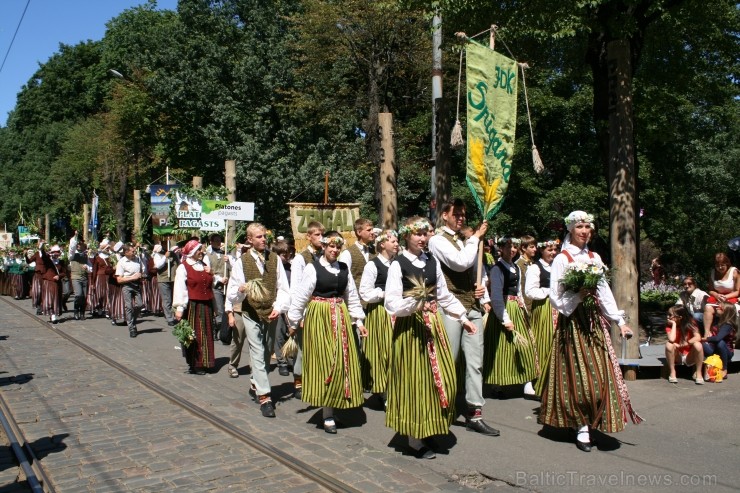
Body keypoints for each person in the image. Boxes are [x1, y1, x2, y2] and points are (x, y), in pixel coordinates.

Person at [539, 210, 641, 453]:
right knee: (579, 376)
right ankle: (581, 425)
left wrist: (619, 320)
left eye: (588, 228)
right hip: (573, 322)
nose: (585, 232)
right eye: (580, 227)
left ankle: (594, 419)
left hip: (594, 321)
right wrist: (577, 296)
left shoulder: (594, 257)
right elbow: (555, 296)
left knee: (600, 373)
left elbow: (604, 291)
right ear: (570, 230)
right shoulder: (562, 259)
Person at [384, 217, 477, 459]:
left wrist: (462, 317)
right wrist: (415, 303)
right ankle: (414, 439)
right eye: (418, 234)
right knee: (415, 381)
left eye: (426, 234)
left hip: (433, 325)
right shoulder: (398, 264)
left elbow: (444, 296)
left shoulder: (432, 261)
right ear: (407, 236)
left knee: (442, 378)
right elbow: (392, 304)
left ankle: (429, 426)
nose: (423, 238)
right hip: (411, 329)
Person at [427, 199, 498, 436]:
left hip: (472, 306)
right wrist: (476, 238)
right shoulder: (437, 240)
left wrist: (481, 290)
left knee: (475, 362)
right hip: (449, 306)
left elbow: (475, 270)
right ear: (444, 215)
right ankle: (439, 409)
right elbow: (459, 264)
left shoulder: (464, 240)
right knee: (449, 359)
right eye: (456, 214)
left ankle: (474, 413)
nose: (460, 218)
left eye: (463, 214)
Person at [287, 231, 367, 434]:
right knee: (325, 362)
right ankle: (327, 413)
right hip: (319, 317)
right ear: (323, 247)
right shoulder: (313, 268)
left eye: (338, 247)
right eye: (331, 246)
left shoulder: (343, 268)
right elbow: (301, 295)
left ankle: (334, 404)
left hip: (340, 316)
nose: (334, 250)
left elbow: (352, 295)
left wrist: (358, 321)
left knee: (341, 360)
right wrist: (294, 321)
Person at [227, 223, 290, 418]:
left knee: (267, 350)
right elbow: (232, 293)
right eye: (259, 237)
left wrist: (278, 308)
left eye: (265, 236)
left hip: (270, 312)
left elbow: (284, 288)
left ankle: (255, 382)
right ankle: (265, 398)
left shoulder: (275, 260)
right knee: (256, 351)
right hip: (250, 312)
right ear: (250, 240)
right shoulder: (242, 262)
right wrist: (240, 290)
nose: (263, 239)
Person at [485, 236, 539, 398]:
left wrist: (522, 304)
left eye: (515, 247)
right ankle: (497, 382)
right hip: (504, 308)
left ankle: (527, 382)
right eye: (509, 247)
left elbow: (519, 290)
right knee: (502, 347)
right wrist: (505, 319)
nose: (512, 250)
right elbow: (495, 296)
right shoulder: (497, 269)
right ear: (501, 248)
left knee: (526, 345)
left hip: (517, 308)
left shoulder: (515, 267)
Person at [358, 229, 399, 404]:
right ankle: (384, 390)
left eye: (397, 241)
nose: (397, 244)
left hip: (397, 310)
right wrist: (385, 293)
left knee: (396, 350)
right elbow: (365, 293)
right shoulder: (372, 265)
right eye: (393, 241)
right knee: (382, 350)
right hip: (380, 312)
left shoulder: (397, 264)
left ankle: (395, 387)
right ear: (382, 244)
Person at [289, 220, 325, 399]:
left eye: (322, 234)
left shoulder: (326, 256)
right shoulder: (301, 258)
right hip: (307, 307)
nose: (321, 238)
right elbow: (296, 288)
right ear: (308, 237)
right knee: (302, 348)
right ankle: (299, 380)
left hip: (323, 308)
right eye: (317, 235)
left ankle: (316, 379)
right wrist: (299, 315)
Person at [173, 239, 215, 374]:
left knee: (207, 334)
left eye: (201, 250)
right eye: (199, 250)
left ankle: (206, 361)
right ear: (192, 252)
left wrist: (213, 275)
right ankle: (195, 363)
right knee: (195, 335)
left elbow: (208, 284)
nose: (201, 252)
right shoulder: (183, 267)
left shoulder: (203, 265)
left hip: (206, 304)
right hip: (193, 305)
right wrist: (180, 308)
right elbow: (180, 289)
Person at [524, 239, 560, 397]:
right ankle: (540, 383)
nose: (553, 253)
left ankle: (555, 382)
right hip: (543, 308)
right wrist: (548, 291)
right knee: (543, 343)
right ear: (542, 251)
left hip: (558, 308)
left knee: (556, 344)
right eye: (549, 250)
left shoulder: (557, 267)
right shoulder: (534, 268)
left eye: (554, 250)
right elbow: (530, 291)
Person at [225, 242, 251, 378]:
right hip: (239, 310)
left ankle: (254, 367)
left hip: (254, 310)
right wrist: (230, 314)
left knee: (255, 342)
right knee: (238, 340)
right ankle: (233, 364)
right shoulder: (237, 267)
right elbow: (230, 293)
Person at [702, 253, 739, 337]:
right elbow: (711, 290)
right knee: (708, 307)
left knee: (724, 309)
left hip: (731, 297)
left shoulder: (734, 271)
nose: (720, 267)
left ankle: (728, 335)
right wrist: (716, 295)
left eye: (722, 265)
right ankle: (707, 333)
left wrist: (725, 297)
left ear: (727, 264)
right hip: (717, 298)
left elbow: (737, 291)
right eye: (717, 266)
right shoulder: (712, 272)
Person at [664, 305, 704, 384]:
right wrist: (674, 325)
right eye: (667, 314)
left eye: (670, 315)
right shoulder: (669, 325)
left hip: (689, 355)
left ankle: (699, 372)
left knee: (698, 345)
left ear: (680, 317)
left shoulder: (691, 323)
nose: (668, 317)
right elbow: (671, 339)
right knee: (669, 344)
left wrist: (685, 343)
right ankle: (672, 372)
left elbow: (698, 337)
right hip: (677, 355)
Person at [272, 240, 295, 376]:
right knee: (279, 334)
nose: (286, 257)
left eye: (288, 254)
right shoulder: (273, 268)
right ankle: (281, 362)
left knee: (291, 333)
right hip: (278, 305)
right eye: (283, 254)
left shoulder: (292, 268)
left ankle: (291, 357)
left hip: (291, 304)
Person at [701, 301, 738, 380]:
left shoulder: (728, 325)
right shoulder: (717, 320)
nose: (716, 307)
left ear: (726, 311)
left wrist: (705, 339)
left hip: (726, 352)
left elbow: (718, 338)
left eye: (719, 307)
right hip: (714, 350)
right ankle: (699, 368)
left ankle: (724, 369)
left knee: (720, 343)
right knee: (699, 343)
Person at [338, 218, 377, 291]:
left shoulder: (376, 251)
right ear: (359, 232)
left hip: (376, 296)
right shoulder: (347, 253)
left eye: (372, 229)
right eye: (369, 230)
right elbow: (343, 277)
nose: (372, 232)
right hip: (356, 298)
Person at [115, 243, 143, 338]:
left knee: (139, 305)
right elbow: (119, 279)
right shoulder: (121, 262)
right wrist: (132, 278)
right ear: (126, 252)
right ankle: (131, 328)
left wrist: (141, 275)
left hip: (137, 285)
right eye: (132, 251)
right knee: (129, 307)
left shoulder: (138, 259)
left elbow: (142, 271)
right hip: (127, 285)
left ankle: (132, 321)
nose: (134, 252)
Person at [39, 243, 68, 324]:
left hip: (57, 283)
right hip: (48, 282)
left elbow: (64, 272)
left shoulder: (61, 262)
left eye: (57, 252)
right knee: (50, 299)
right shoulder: (48, 260)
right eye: (54, 252)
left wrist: (59, 276)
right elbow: (44, 256)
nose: (56, 254)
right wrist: (41, 247)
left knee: (56, 298)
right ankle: (52, 315)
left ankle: (54, 313)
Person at [207, 233, 228, 340]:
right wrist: (220, 279)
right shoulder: (207, 254)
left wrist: (228, 261)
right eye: (216, 240)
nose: (219, 242)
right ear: (211, 242)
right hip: (215, 285)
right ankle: (216, 329)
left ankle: (225, 330)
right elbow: (208, 271)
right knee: (219, 309)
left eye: (220, 240)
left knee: (227, 308)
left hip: (227, 285)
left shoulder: (226, 253)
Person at [153, 243, 179, 326]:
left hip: (174, 278)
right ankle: (169, 318)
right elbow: (158, 266)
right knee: (167, 299)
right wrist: (165, 256)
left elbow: (178, 264)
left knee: (175, 298)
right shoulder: (158, 254)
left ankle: (176, 315)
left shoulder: (174, 254)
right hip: (163, 279)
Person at [68, 231, 91, 320]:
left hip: (84, 277)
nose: (78, 245)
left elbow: (90, 267)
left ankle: (82, 312)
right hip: (75, 277)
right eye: (78, 244)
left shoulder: (85, 255)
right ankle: (76, 311)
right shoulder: (72, 255)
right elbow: (72, 247)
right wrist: (76, 236)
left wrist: (87, 267)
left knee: (84, 296)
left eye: (80, 244)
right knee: (78, 294)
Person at [516, 234, 537, 315]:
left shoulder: (533, 263)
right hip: (525, 304)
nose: (535, 249)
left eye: (535, 246)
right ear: (524, 248)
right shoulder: (518, 265)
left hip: (534, 303)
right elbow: (520, 287)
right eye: (532, 247)